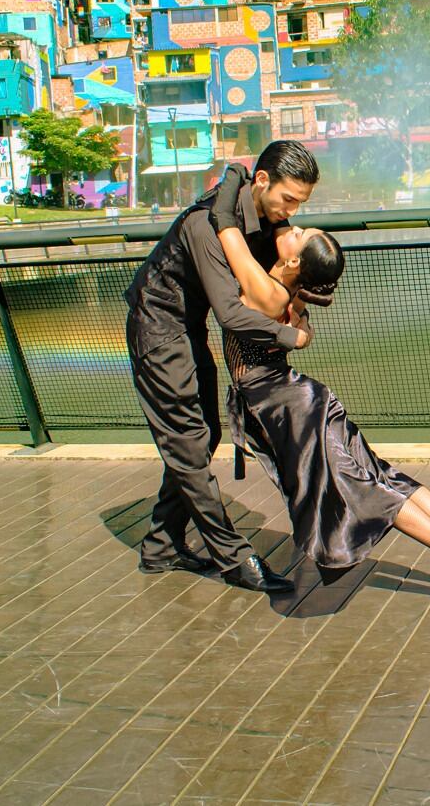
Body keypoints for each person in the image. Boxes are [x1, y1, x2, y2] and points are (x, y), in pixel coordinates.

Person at [210, 209, 430, 618]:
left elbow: (227, 232)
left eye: (298, 233)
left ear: (295, 260)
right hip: (305, 399)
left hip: (291, 409)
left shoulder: (266, 290)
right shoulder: (289, 292)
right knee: (382, 476)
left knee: (369, 494)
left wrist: (234, 185)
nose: (292, 228)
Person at [124, 141, 318, 594]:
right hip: (157, 325)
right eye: (288, 199)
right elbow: (232, 313)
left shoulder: (266, 219)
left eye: (301, 204)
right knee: (189, 443)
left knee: (203, 434)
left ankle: (161, 545)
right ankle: (233, 557)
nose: (291, 212)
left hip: (188, 328)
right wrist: (293, 337)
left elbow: (276, 284)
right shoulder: (205, 224)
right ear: (263, 182)